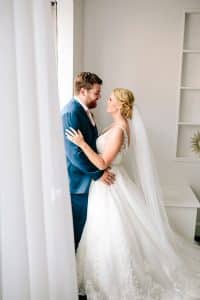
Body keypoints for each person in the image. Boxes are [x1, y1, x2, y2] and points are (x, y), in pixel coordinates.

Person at [66, 88, 200, 300]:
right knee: (101, 230)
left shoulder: (119, 130)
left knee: (112, 231)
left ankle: (117, 279)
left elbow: (102, 162)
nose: (106, 101)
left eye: (110, 99)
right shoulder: (116, 125)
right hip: (107, 184)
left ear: (118, 105)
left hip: (110, 185)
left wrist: (81, 143)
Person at [62, 72, 115, 252]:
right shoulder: (71, 113)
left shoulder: (85, 111)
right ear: (83, 91)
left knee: (88, 229)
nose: (99, 96)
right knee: (78, 230)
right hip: (78, 183)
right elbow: (74, 153)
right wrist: (98, 174)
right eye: (96, 92)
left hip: (88, 181)